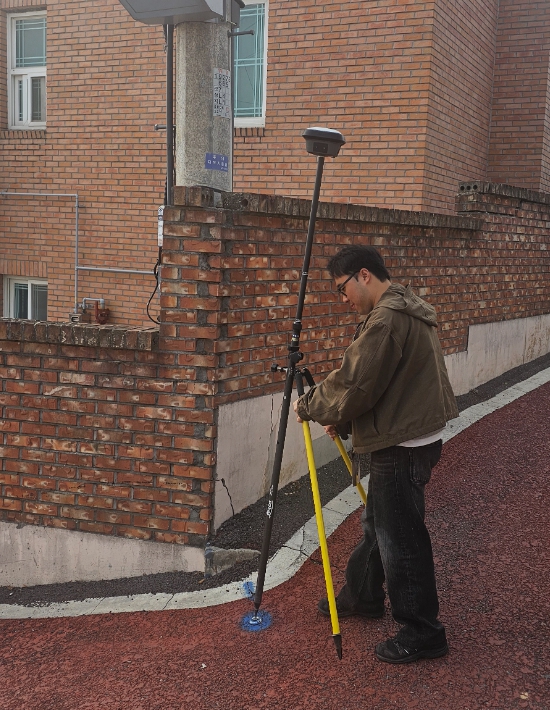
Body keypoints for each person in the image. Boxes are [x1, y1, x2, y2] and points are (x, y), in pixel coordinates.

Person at [293, 245, 458, 664]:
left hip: (402, 443)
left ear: (363, 275)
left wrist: (310, 405)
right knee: (380, 522)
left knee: (400, 537)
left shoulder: (386, 320)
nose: (342, 298)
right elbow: (387, 383)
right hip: (411, 433)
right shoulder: (403, 306)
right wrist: (346, 420)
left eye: (342, 288)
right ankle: (364, 593)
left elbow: (356, 382)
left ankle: (422, 631)